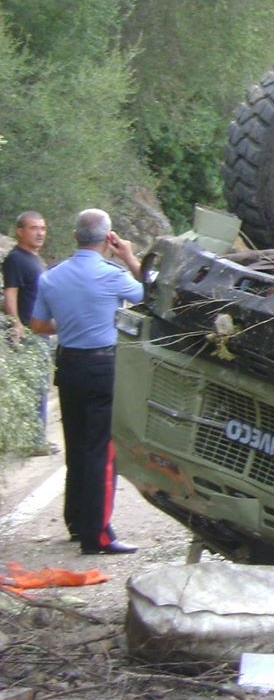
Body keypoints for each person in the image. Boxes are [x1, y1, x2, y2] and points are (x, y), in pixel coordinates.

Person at [29, 209, 143, 555]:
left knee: (77, 446)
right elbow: (151, 295)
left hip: (68, 365)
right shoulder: (114, 275)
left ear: (75, 236)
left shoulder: (52, 277)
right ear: (108, 238)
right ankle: (98, 535)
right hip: (103, 367)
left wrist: (71, 325)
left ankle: (77, 522)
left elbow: (37, 324)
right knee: (101, 452)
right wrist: (129, 255)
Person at [3, 211, 56, 454]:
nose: (40, 233)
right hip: (28, 333)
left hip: (39, 331)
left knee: (38, 386)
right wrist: (16, 324)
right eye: (34, 228)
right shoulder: (16, 259)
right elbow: (10, 293)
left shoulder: (34, 258)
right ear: (20, 231)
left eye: (43, 228)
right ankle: (33, 442)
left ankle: (31, 438)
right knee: (34, 387)